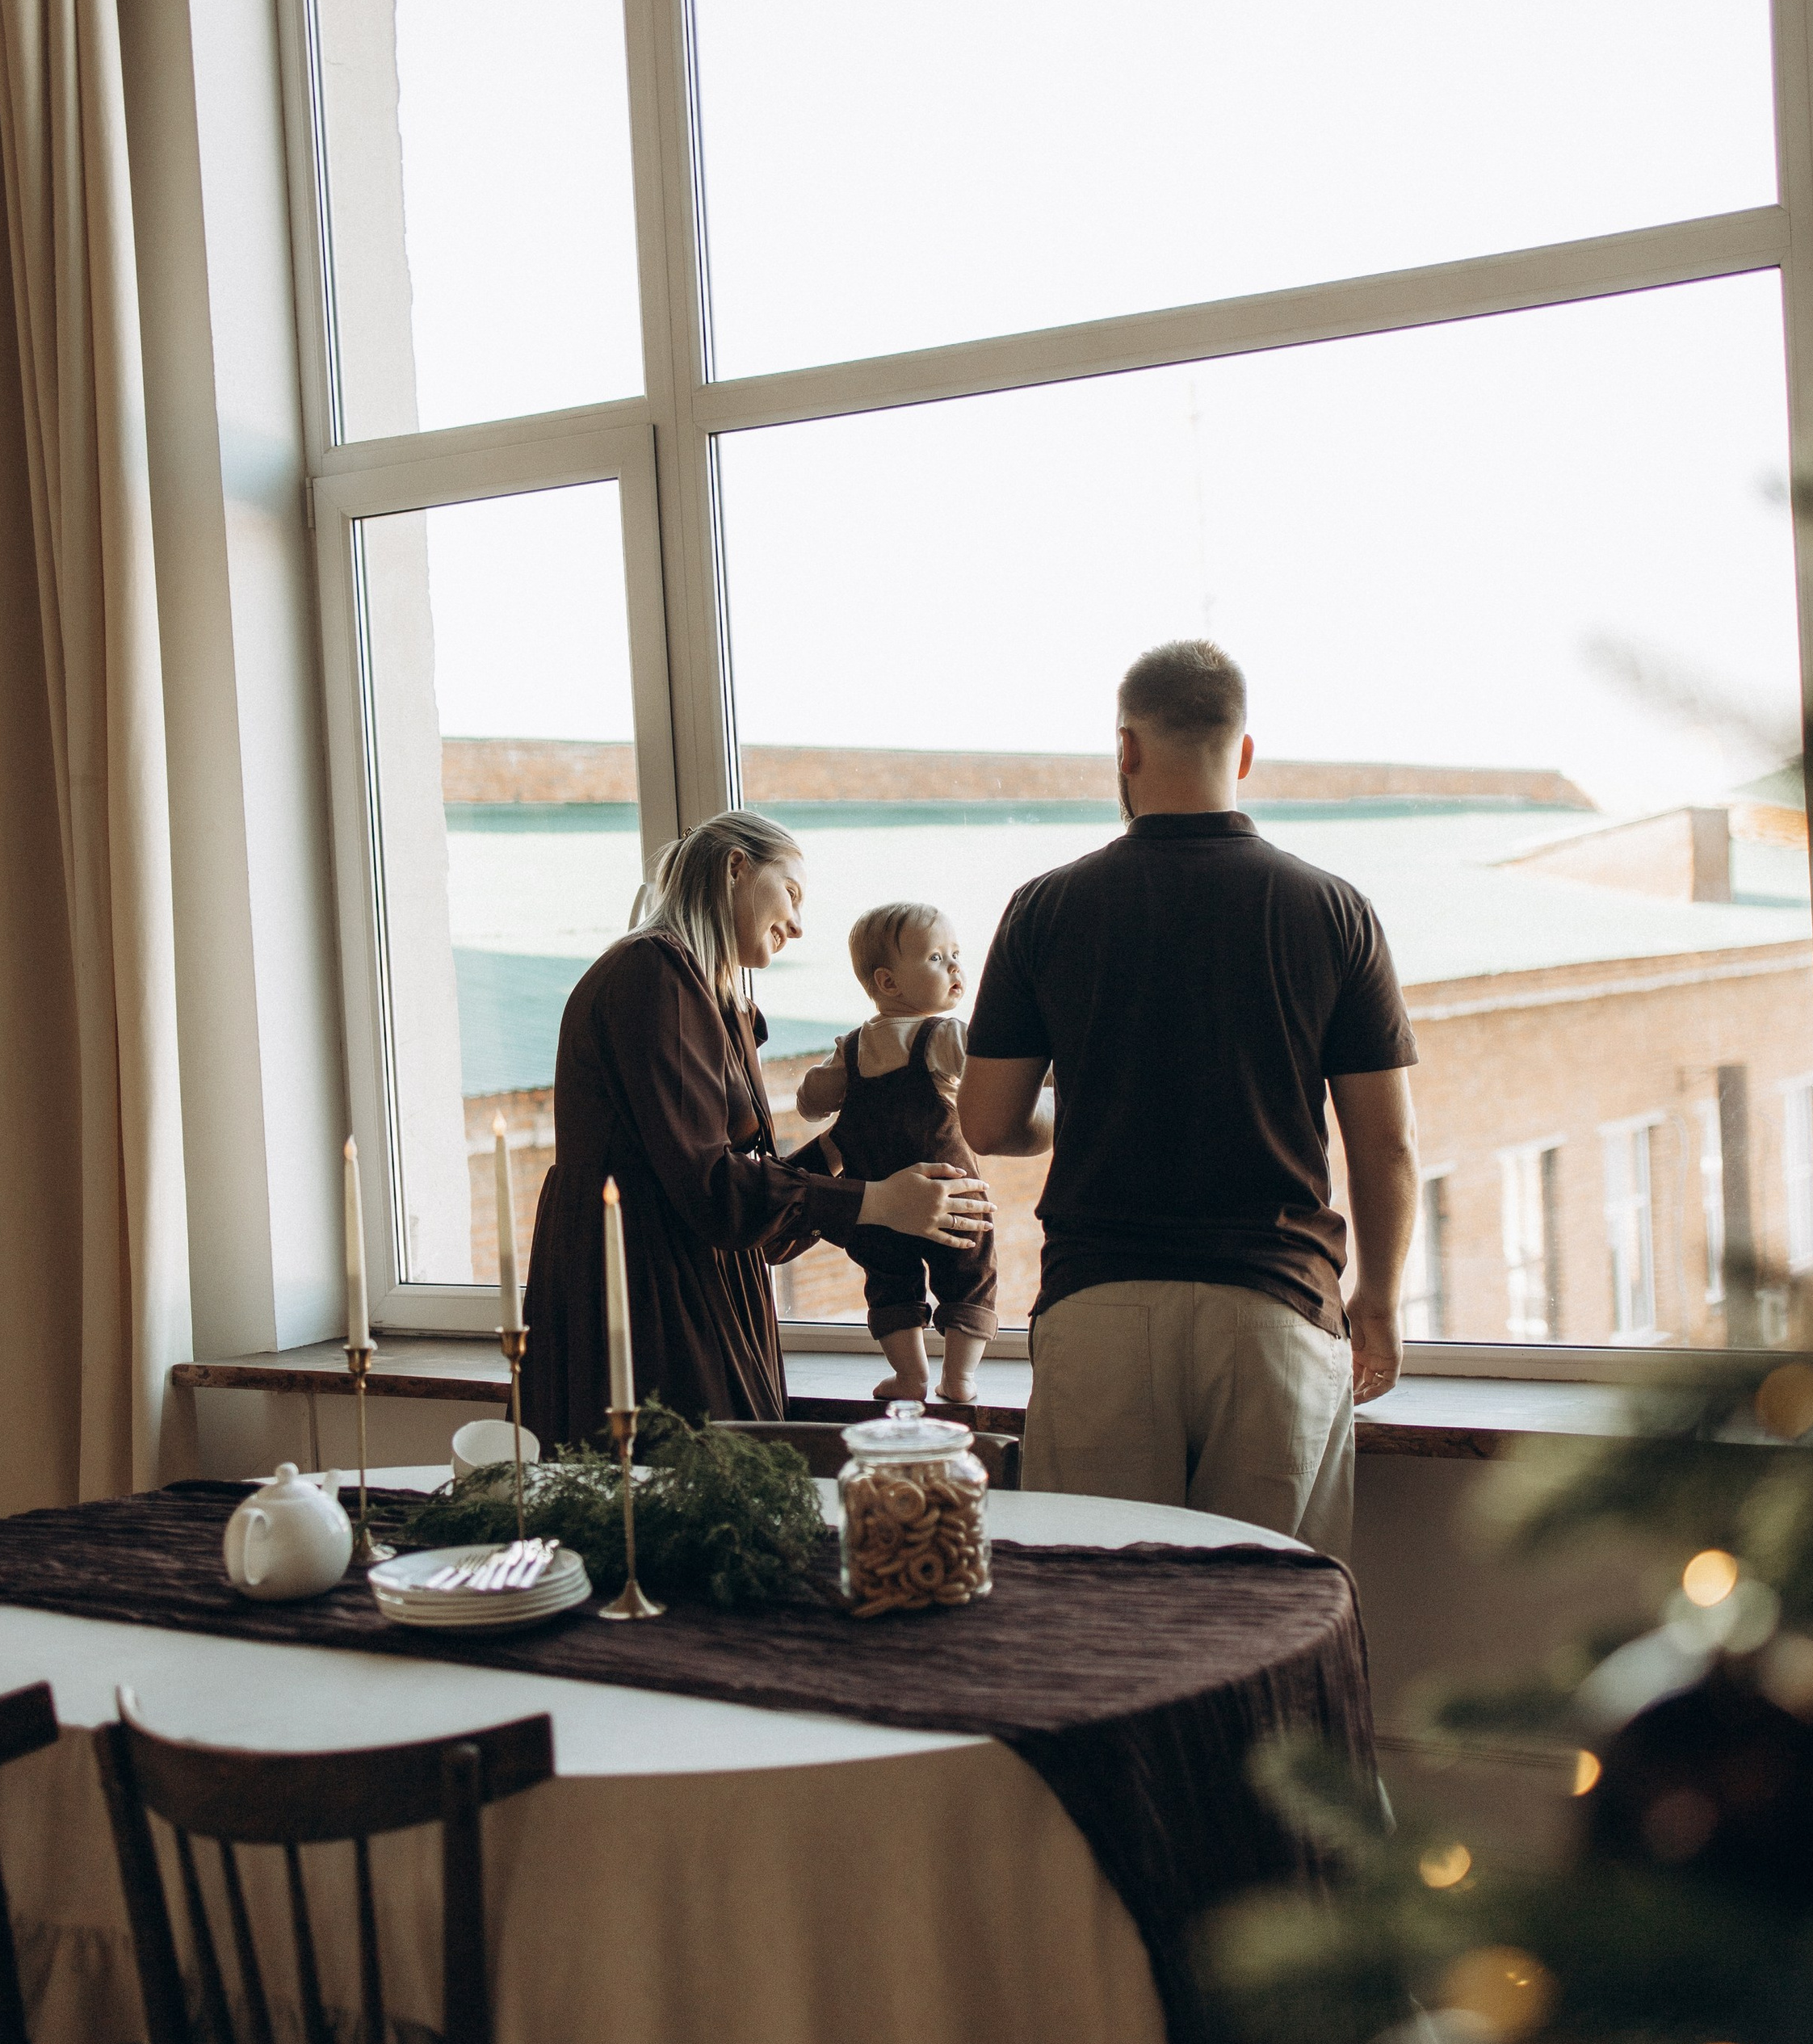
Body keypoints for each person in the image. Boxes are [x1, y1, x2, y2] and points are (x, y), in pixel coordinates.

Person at [959, 642, 1419, 1552]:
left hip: (1099, 1311)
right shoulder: (1333, 909)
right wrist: (1380, 1303)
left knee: (1103, 1629)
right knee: (1265, 1627)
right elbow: (1385, 1147)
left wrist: (1075, 1108)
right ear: (1243, 754)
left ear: (1125, 749)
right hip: (1273, 1310)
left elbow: (987, 1122)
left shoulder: (1044, 908)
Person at [522, 812, 993, 1446]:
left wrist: (846, 1146)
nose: (798, 926)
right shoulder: (652, 974)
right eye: (792, 893)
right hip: (647, 1306)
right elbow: (715, 1192)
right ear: (736, 867)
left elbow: (753, 1212)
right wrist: (880, 1202)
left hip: (696, 1289)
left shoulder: (712, 995)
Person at [795, 903, 998, 1406]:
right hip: (949, 1194)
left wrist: (821, 1085)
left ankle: (910, 1377)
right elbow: (1000, 1073)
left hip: (876, 1202)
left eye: (956, 954)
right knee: (970, 1275)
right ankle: (959, 1378)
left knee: (890, 1285)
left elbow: (809, 1104)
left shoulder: (852, 1048)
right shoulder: (945, 1036)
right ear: (888, 982)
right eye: (936, 958)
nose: (955, 967)